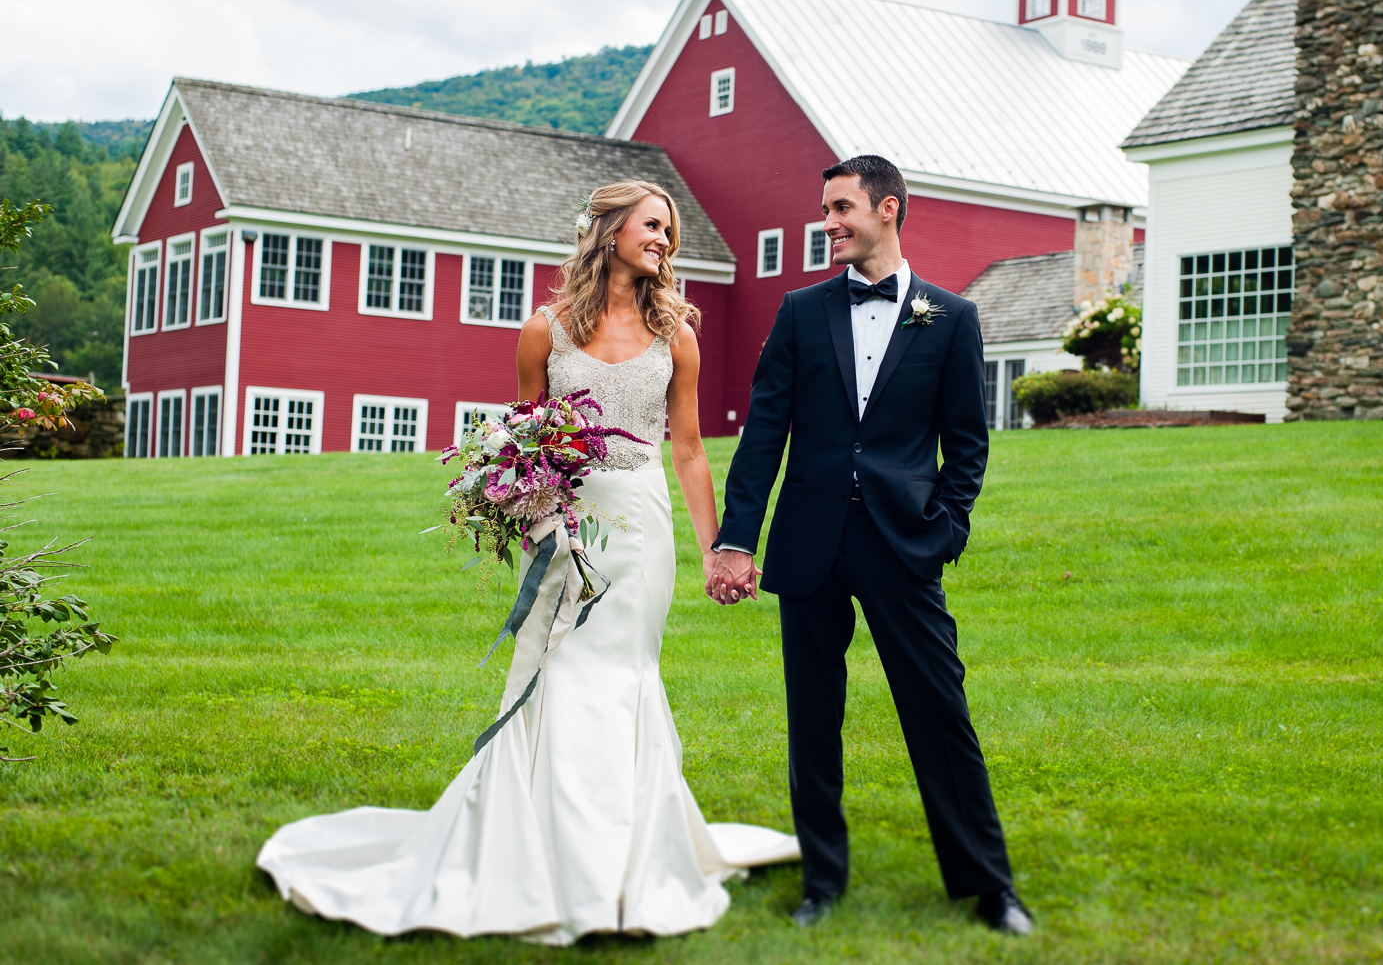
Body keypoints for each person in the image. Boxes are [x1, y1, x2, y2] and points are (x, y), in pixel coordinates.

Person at [257, 180, 797, 945]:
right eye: (652, 226)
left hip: (641, 532)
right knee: (561, 672)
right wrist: (540, 517)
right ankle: (539, 855)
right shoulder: (544, 330)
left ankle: (621, 863)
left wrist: (716, 551)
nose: (665, 242)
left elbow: (687, 449)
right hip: (562, 528)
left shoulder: (679, 335)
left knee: (622, 676)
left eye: (669, 231)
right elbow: (523, 441)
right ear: (608, 231)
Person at [708, 155, 1033, 935]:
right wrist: (735, 541)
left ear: (888, 209)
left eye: (842, 208)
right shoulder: (798, 311)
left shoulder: (951, 318)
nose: (829, 223)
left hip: (903, 545)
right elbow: (763, 438)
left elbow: (967, 442)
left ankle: (990, 886)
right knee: (812, 721)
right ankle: (822, 881)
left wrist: (946, 530)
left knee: (940, 712)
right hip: (809, 542)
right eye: (825, 209)